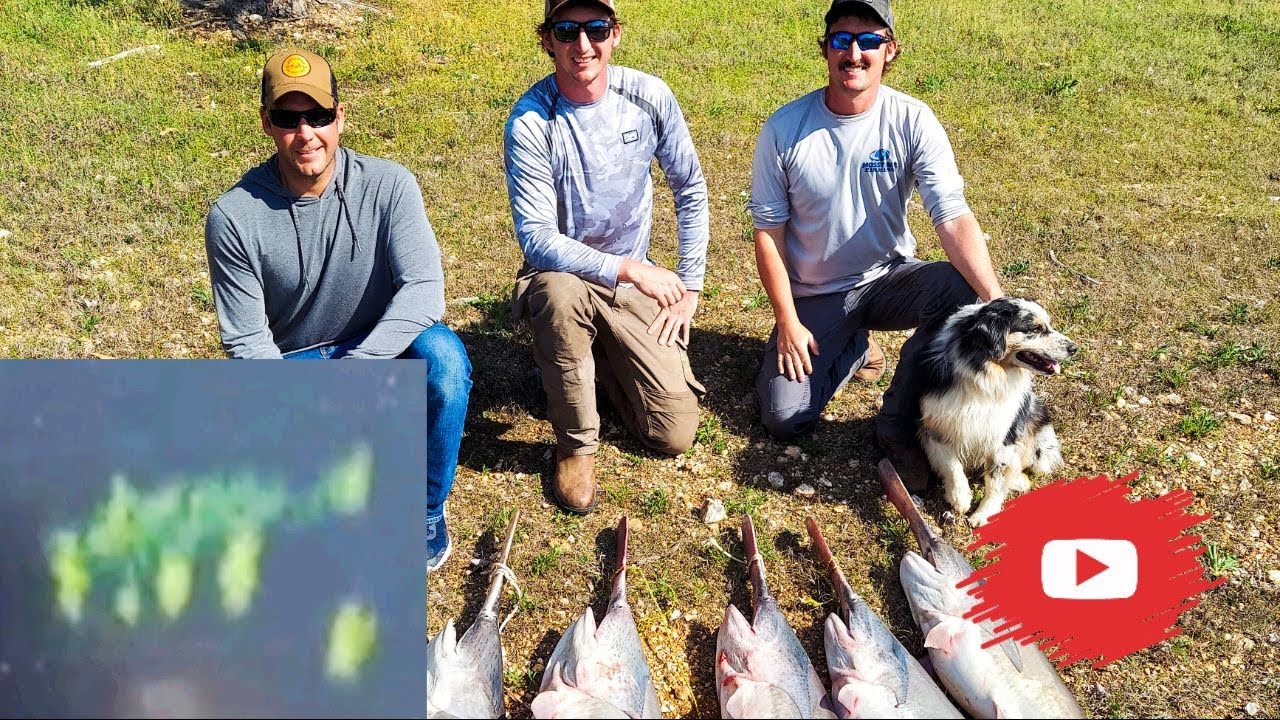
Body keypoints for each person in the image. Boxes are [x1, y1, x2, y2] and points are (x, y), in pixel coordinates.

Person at [203, 48, 472, 572]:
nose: (305, 133)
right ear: (266, 123)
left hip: (377, 348)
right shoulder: (233, 217)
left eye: (318, 115)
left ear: (340, 117)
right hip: (293, 366)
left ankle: (423, 512)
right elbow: (248, 343)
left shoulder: (390, 185)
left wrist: (360, 369)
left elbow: (424, 290)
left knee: (444, 360)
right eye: (288, 119)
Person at [748, 0, 1005, 492]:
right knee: (784, 418)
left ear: (890, 50)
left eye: (868, 40)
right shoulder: (785, 128)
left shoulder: (912, 119)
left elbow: (951, 213)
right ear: (825, 49)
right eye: (841, 39)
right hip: (817, 293)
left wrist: (994, 299)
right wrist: (787, 320)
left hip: (889, 279)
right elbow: (768, 233)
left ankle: (897, 424)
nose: (854, 53)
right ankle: (854, 348)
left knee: (962, 289)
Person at [503, 0, 711, 514]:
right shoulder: (531, 120)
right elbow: (537, 238)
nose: (583, 45)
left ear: (615, 33)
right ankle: (575, 444)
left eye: (596, 29)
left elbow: (690, 188)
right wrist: (628, 268)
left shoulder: (648, 96)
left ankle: (589, 365)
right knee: (558, 292)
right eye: (566, 31)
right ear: (546, 39)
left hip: (630, 286)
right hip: (566, 276)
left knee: (673, 431)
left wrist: (690, 285)